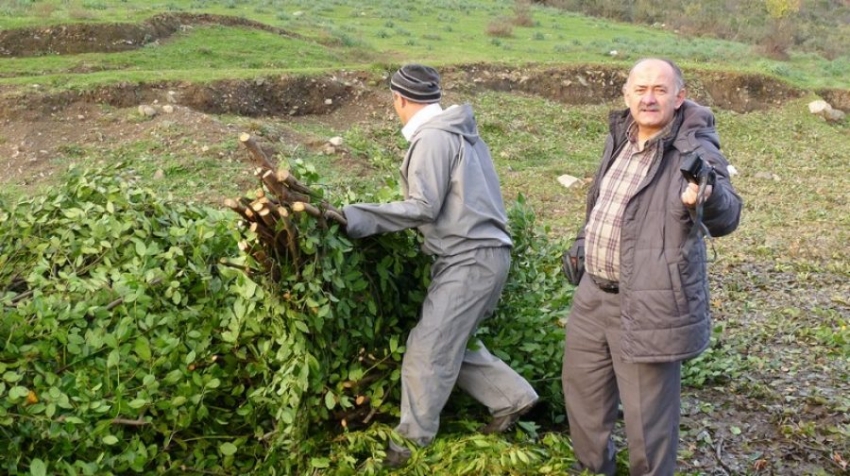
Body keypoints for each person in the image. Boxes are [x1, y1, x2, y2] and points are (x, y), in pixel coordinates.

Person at [341, 64, 539, 467]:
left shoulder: (432, 139)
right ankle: (513, 397)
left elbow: (422, 206)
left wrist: (353, 217)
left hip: (469, 258)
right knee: (449, 341)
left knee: (426, 350)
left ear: (399, 99)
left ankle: (409, 446)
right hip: (485, 256)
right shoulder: (459, 133)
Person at [561, 58, 742, 475]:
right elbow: (607, 204)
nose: (649, 98)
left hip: (649, 305)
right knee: (584, 401)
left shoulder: (693, 147)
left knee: (648, 427)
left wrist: (707, 198)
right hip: (592, 296)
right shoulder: (621, 136)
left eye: (660, 90)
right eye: (640, 89)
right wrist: (583, 242)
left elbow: (728, 215)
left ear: (679, 97)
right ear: (627, 95)